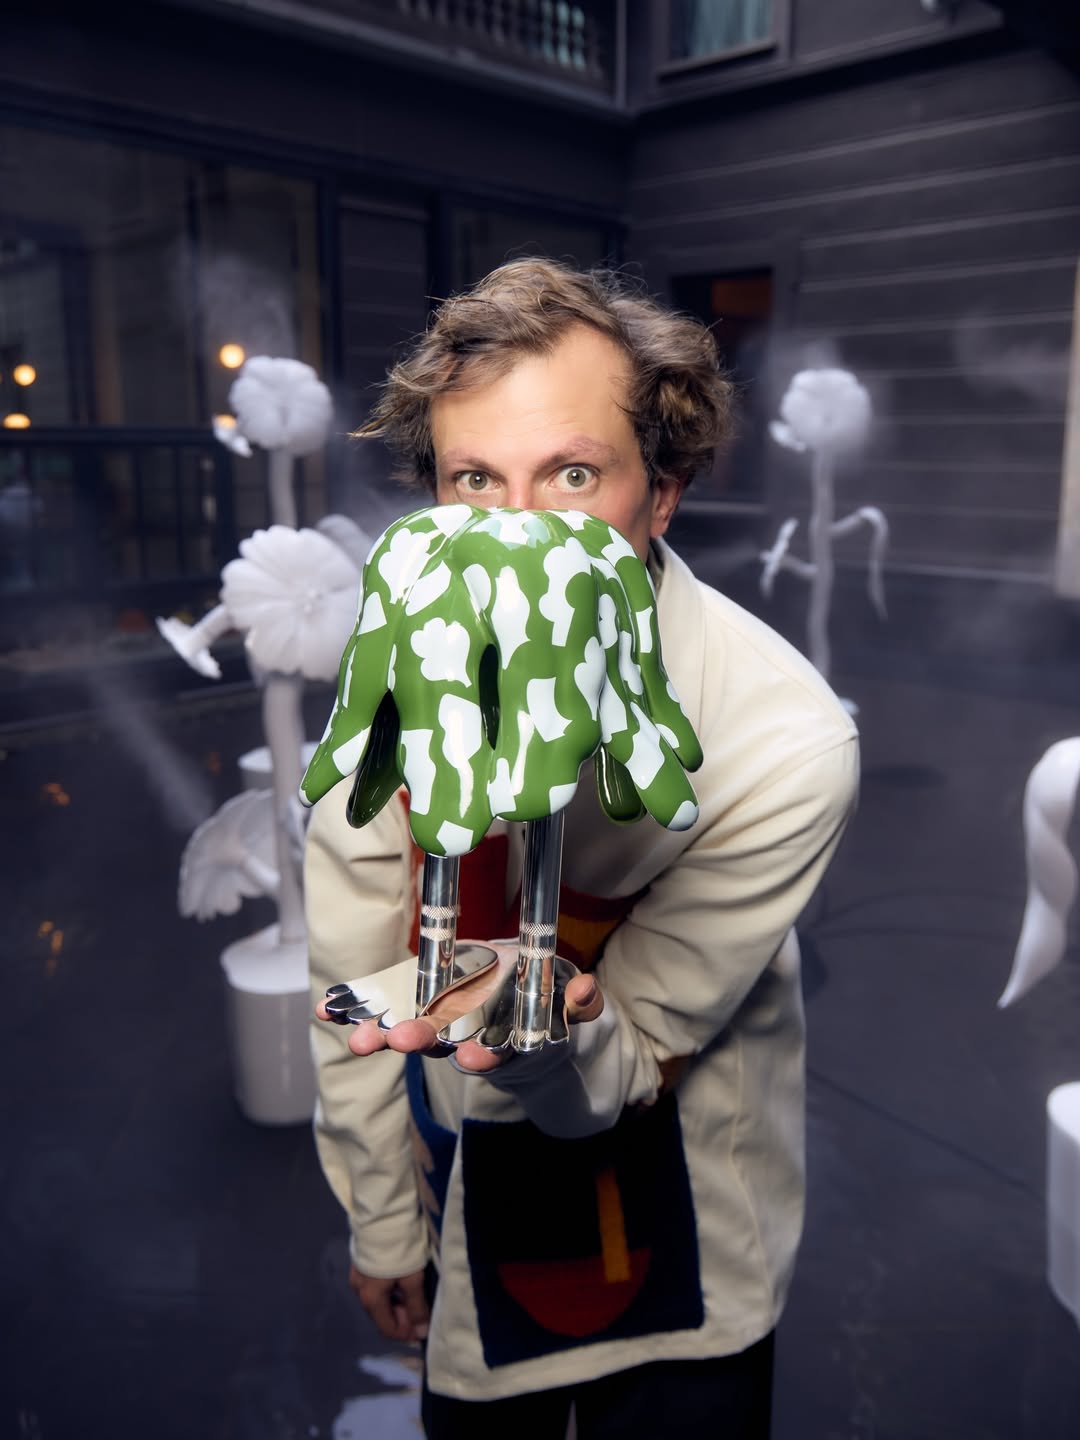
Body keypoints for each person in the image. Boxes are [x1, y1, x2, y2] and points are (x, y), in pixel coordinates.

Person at [303, 258, 859, 1438]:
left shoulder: (781, 742)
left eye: (570, 474)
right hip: (461, 1191)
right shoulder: (406, 678)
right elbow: (349, 972)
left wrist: (543, 1022)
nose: (515, 536)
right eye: (475, 480)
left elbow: (642, 1051)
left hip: (686, 1231)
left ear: (662, 495)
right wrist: (384, 1222)